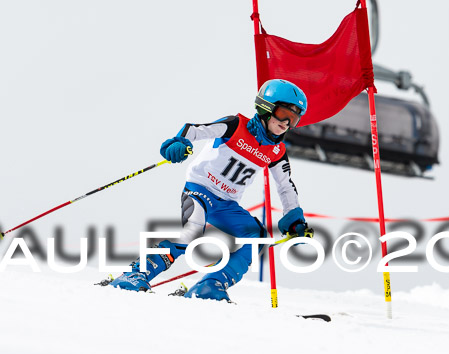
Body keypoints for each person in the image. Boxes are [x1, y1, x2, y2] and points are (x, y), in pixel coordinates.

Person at [110, 79, 313, 301]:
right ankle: (133, 274)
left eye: (294, 119)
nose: (286, 123)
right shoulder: (236, 125)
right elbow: (195, 130)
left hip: (227, 204)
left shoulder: (277, 151)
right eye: (284, 113)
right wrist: (178, 142)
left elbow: (285, 186)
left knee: (257, 237)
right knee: (192, 232)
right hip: (200, 189)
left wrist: (294, 219)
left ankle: (211, 285)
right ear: (265, 108)